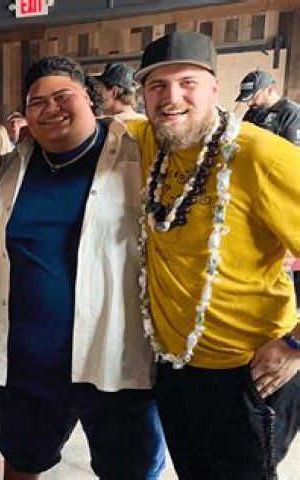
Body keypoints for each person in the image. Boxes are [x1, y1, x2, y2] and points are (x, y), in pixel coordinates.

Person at [0, 56, 166, 479]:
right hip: (27, 363)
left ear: (90, 99)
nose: (50, 108)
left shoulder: (138, 155)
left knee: (129, 470)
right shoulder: (11, 168)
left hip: (113, 361)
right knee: (22, 463)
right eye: (37, 102)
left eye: (62, 96)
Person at [127, 31, 300, 479]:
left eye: (187, 83)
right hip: (175, 369)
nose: (172, 98)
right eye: (157, 86)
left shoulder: (261, 155)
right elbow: (91, 127)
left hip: (250, 373)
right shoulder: (149, 142)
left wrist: (295, 346)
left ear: (214, 88)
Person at [236, 69, 300, 146]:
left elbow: (295, 151)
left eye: (254, 97)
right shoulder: (253, 112)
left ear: (270, 90)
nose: (249, 103)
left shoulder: (292, 115)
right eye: (248, 100)